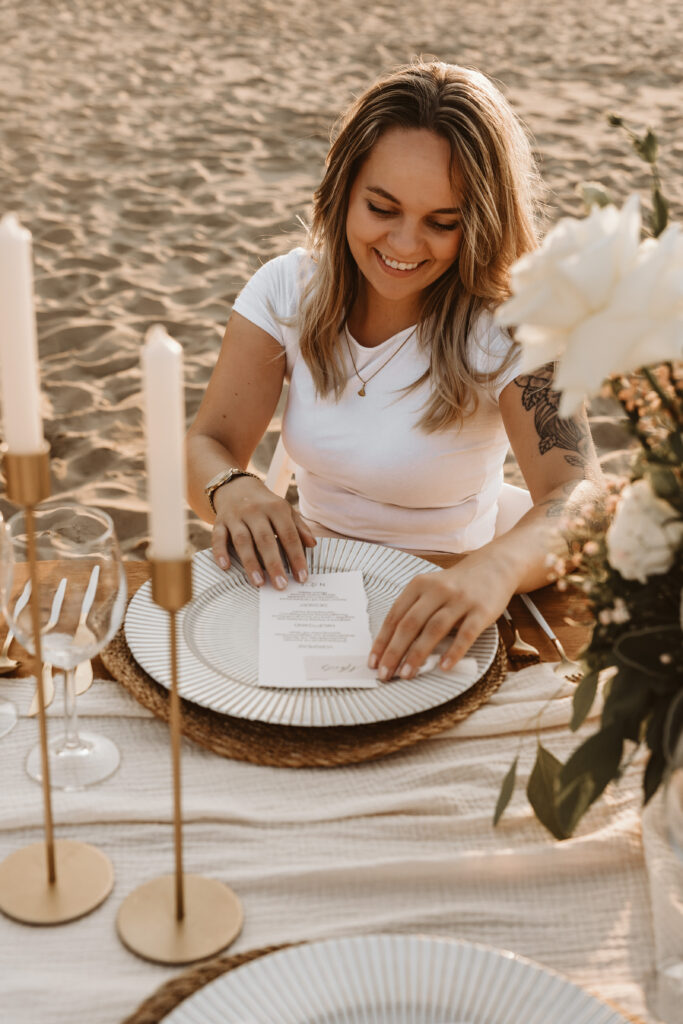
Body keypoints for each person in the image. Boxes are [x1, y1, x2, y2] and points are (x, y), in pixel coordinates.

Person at [186, 60, 601, 682]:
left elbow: (584, 498)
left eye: (443, 222)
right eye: (382, 207)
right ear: (343, 191)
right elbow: (206, 444)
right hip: (309, 588)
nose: (406, 246)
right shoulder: (285, 290)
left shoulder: (515, 323)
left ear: (482, 223)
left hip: (451, 596)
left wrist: (493, 569)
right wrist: (232, 488)